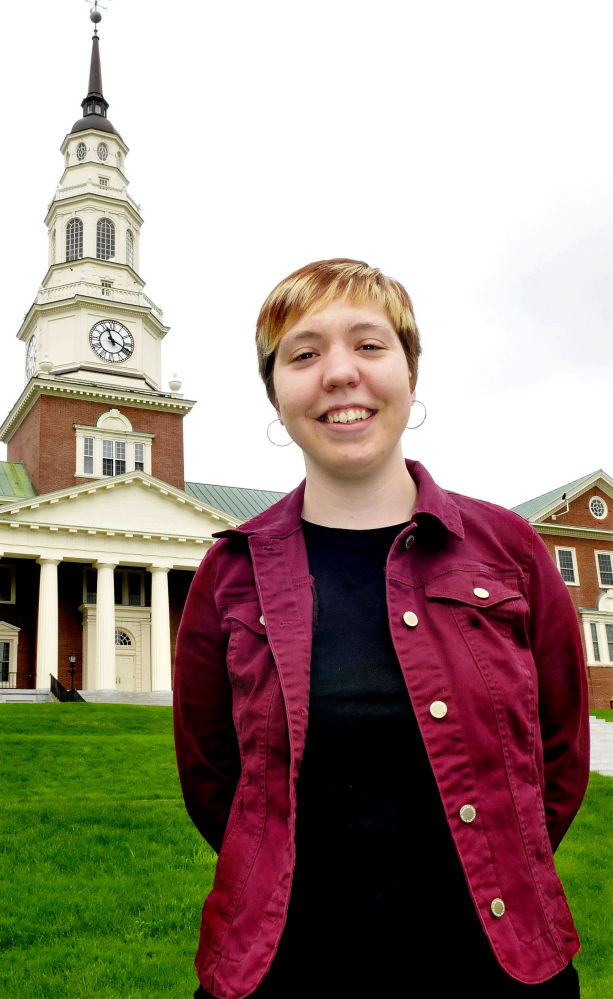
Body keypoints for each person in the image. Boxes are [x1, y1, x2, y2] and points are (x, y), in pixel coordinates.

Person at [173, 259, 589, 999]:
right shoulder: (229, 573)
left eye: (368, 345)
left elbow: (557, 755)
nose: (339, 374)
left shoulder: (510, 551)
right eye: (303, 354)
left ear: (410, 371)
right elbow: (213, 782)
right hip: (284, 969)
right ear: (275, 394)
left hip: (494, 966)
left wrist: (504, 856)